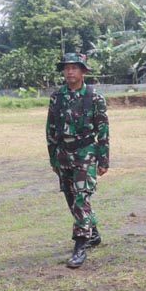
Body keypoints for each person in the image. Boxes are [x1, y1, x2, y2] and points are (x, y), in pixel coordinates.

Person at [46, 53, 109, 268]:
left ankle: (80, 245)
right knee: (72, 198)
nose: (70, 71)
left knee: (82, 196)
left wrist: (103, 159)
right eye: (67, 67)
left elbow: (103, 130)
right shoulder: (56, 98)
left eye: (75, 67)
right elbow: (51, 129)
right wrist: (53, 157)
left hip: (86, 152)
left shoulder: (95, 97)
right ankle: (93, 233)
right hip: (64, 153)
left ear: (83, 71)